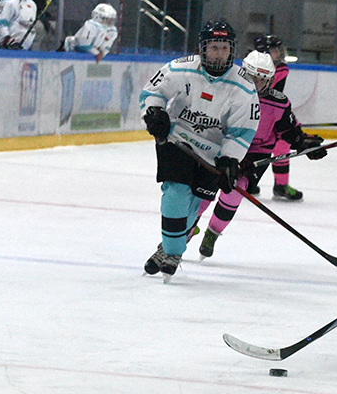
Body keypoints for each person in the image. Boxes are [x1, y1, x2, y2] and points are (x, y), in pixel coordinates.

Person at [138, 20, 261, 281]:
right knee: (175, 192)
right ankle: (173, 251)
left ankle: (166, 249)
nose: (219, 53)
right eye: (214, 47)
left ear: (232, 50)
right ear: (203, 48)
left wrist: (230, 159)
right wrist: (155, 113)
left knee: (194, 205)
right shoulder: (180, 68)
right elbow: (152, 91)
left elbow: (242, 130)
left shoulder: (244, 86)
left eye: (224, 48)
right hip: (178, 140)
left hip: (213, 152)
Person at [190, 49, 326, 258]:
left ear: (270, 81)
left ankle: (213, 233)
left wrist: (303, 143)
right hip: (222, 148)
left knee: (235, 192)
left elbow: (289, 131)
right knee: (204, 191)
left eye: (262, 80)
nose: (256, 84)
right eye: (253, 78)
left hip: (255, 154)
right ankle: (186, 228)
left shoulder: (278, 102)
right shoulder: (226, 91)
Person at [242, 34, 306, 201]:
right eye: (273, 50)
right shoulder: (251, 69)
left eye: (277, 50)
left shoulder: (281, 69)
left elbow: (273, 97)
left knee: (282, 145)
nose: (277, 53)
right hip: (254, 117)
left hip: (268, 116)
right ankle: (249, 182)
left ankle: (280, 185)